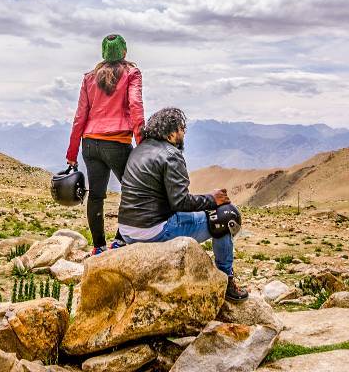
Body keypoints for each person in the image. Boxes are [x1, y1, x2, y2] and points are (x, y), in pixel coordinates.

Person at [116, 107, 249, 301]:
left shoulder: (140, 149)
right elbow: (180, 202)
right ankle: (226, 281)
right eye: (181, 128)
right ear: (171, 134)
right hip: (154, 230)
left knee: (209, 214)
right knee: (226, 216)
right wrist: (212, 199)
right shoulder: (171, 154)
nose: (184, 132)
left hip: (127, 230)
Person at [66, 34, 145, 256]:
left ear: (103, 53)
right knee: (134, 190)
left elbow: (80, 116)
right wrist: (142, 143)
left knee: (96, 195)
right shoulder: (132, 73)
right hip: (117, 142)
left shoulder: (89, 78)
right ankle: (120, 240)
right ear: (124, 52)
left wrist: (72, 153)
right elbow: (136, 106)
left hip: (90, 143)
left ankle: (98, 247)